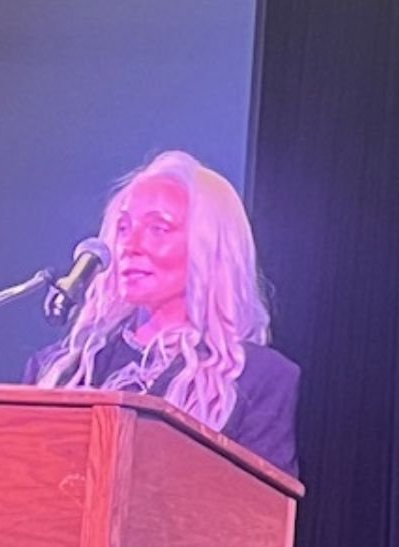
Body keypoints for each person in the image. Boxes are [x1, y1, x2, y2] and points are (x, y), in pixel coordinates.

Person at [25, 150, 299, 476]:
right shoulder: (58, 371)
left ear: (208, 249)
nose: (130, 245)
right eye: (124, 228)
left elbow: (260, 518)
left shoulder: (258, 378)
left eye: (159, 228)